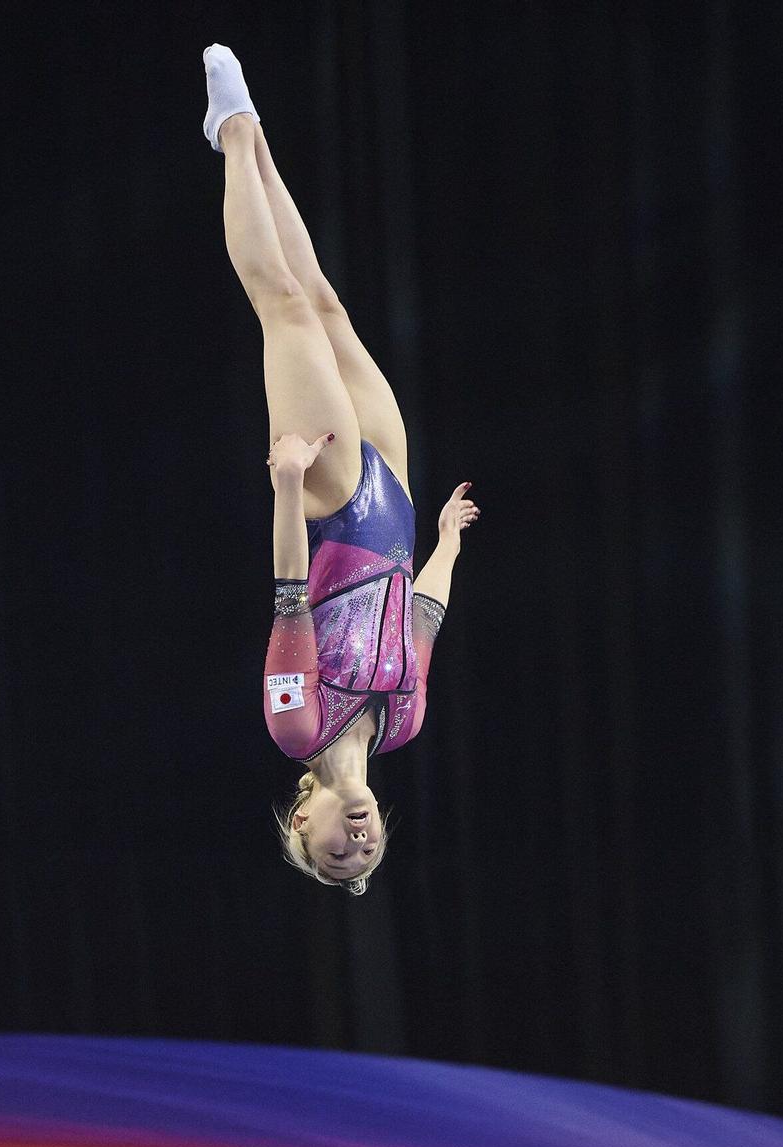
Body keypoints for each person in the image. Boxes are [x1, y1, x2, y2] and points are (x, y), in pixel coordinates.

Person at [204, 44, 479, 896]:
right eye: (367, 855)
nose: (354, 844)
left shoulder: (296, 725)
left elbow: (290, 591)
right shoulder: (403, 721)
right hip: (392, 498)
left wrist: (287, 484)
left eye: (333, 852)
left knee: (280, 305)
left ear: (302, 818)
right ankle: (247, 137)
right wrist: (445, 543)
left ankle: (235, 134)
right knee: (322, 298)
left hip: (327, 502)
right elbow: (423, 617)